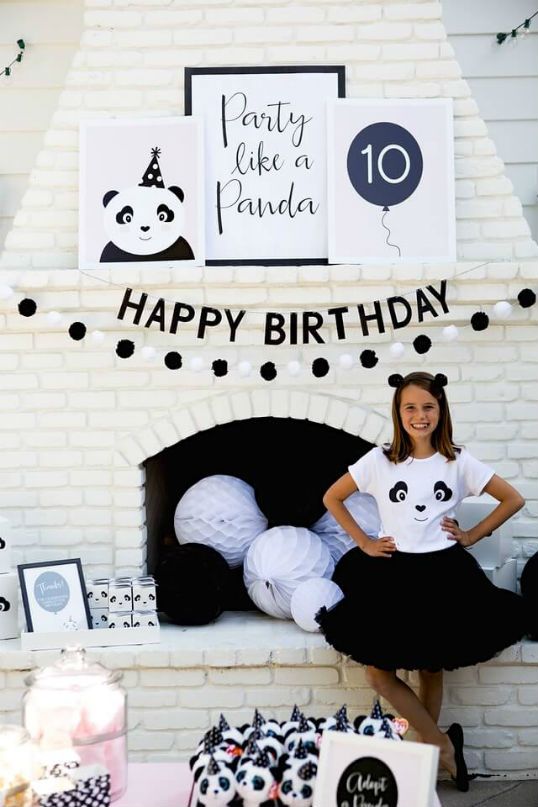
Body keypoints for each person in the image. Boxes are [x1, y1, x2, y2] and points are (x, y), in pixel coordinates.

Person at [316, 371, 528, 792]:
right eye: (410, 407)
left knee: (432, 668)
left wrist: (470, 535)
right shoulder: (379, 460)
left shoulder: (458, 461)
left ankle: (427, 765)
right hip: (393, 574)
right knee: (380, 674)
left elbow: (513, 498)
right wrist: (365, 542)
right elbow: (332, 497)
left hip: (444, 576)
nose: (419, 415)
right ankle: (443, 746)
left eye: (428, 407)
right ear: (398, 411)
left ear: (441, 410)